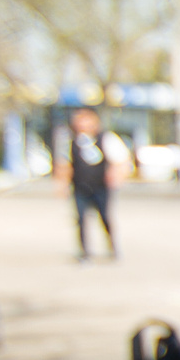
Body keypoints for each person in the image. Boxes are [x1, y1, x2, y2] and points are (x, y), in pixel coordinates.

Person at [62, 108, 122, 261]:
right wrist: (62, 184)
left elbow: (119, 161)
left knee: (104, 217)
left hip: (100, 186)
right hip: (80, 186)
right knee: (80, 218)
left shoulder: (105, 138)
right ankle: (84, 251)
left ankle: (112, 246)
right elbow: (64, 165)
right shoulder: (70, 141)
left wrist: (116, 176)